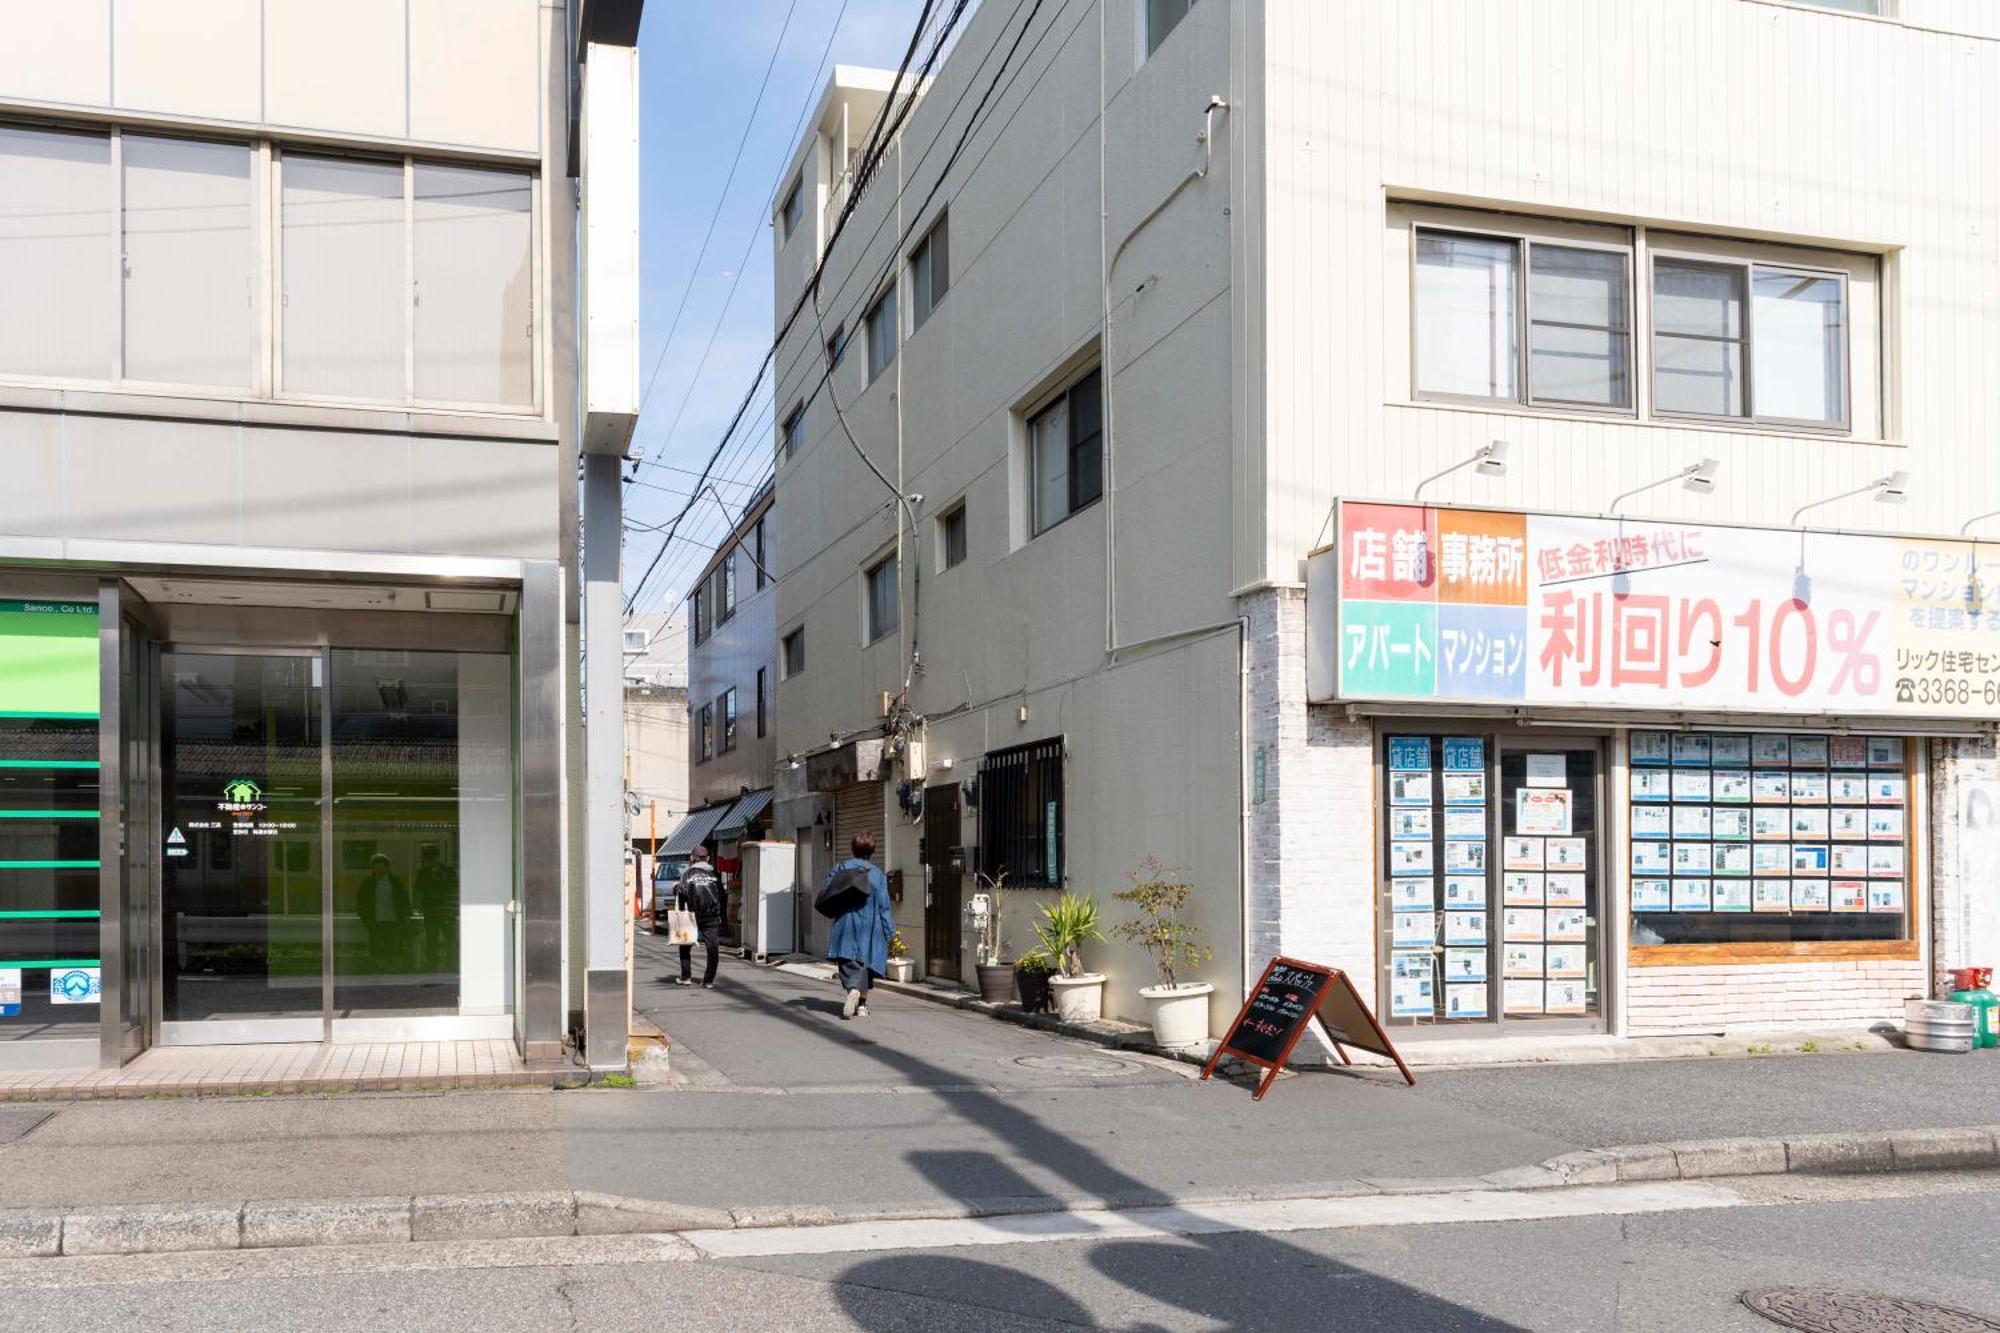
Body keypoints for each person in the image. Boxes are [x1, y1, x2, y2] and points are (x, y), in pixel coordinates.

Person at [826, 831, 892, 1019]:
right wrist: (889, 931)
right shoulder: (877, 874)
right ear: (872, 851)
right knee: (865, 964)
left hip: (845, 921)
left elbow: (829, 890)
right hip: (871, 926)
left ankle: (852, 990)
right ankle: (862, 1005)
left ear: (853, 849)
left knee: (847, 962)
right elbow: (884, 905)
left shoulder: (841, 868)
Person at [673, 843, 725, 989]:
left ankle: (686, 977)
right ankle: (708, 981)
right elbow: (722, 895)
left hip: (691, 915)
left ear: (692, 858)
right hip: (712, 916)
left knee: (685, 945)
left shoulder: (688, 874)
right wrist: (724, 918)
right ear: (708, 858)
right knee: (712, 948)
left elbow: (681, 893)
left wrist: (677, 896)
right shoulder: (715, 874)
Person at [355, 853, 410, 972]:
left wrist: (406, 915)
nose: (379, 868)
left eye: (382, 866)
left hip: (394, 920)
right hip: (375, 920)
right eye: (376, 866)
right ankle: (380, 967)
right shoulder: (367, 884)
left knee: (394, 945)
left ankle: (392, 968)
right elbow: (361, 903)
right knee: (377, 946)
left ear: (387, 867)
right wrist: (365, 919)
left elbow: (404, 900)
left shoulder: (396, 883)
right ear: (372, 868)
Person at [413, 844, 458, 972]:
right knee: (437, 939)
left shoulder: (446, 871)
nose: (430, 861)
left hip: (441, 909)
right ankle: (439, 964)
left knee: (443, 939)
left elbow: (453, 885)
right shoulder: (425, 872)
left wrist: (441, 879)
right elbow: (420, 888)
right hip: (437, 910)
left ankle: (445, 964)